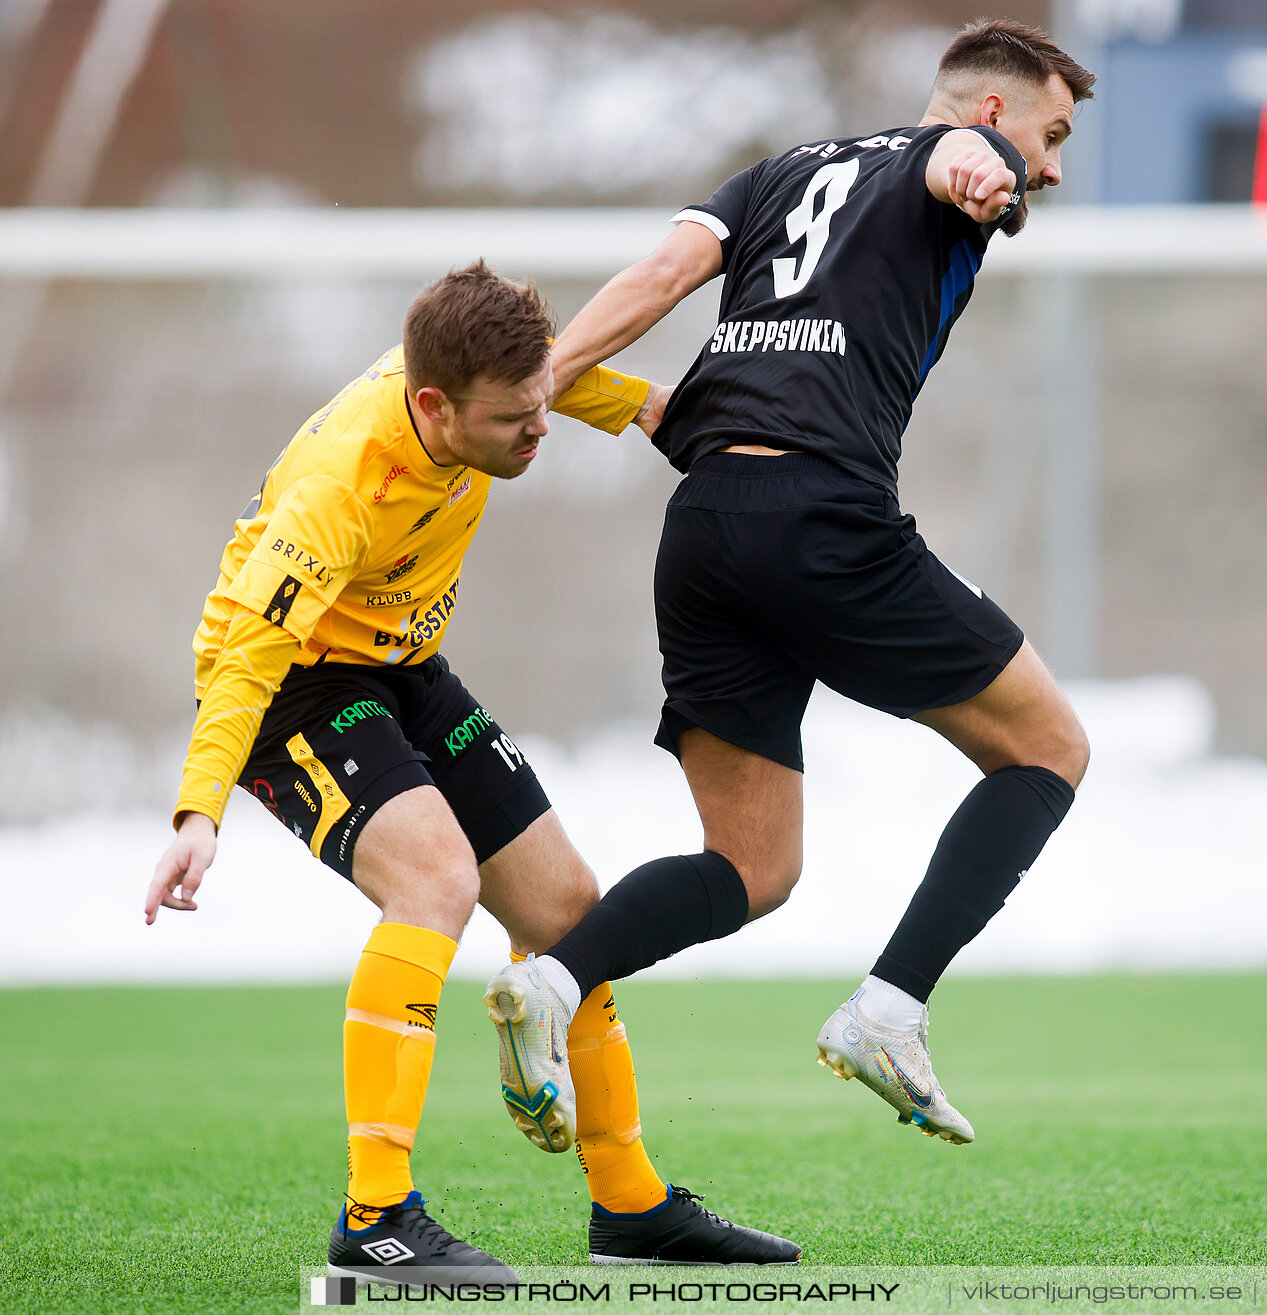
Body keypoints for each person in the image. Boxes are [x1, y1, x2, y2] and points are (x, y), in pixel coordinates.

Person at [483, 19, 1094, 1149]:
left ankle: (556, 987)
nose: (1050, 167)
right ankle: (891, 1008)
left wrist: (544, 379)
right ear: (996, 111)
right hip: (823, 521)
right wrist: (978, 167)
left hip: (705, 528)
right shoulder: (968, 155)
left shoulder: (777, 172)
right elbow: (969, 164)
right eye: (1050, 136)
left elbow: (664, 274)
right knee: (1051, 747)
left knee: (754, 866)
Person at [142, 262, 800, 1280]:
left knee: (570, 915)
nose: (538, 433)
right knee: (436, 881)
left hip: (401, 667)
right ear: (432, 404)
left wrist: (649, 411)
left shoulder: (489, 394)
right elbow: (247, 658)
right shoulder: (338, 485)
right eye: (514, 421)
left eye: (542, 406)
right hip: (296, 692)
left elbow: (558, 381)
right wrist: (198, 808)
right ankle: (375, 1222)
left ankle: (630, 1209)